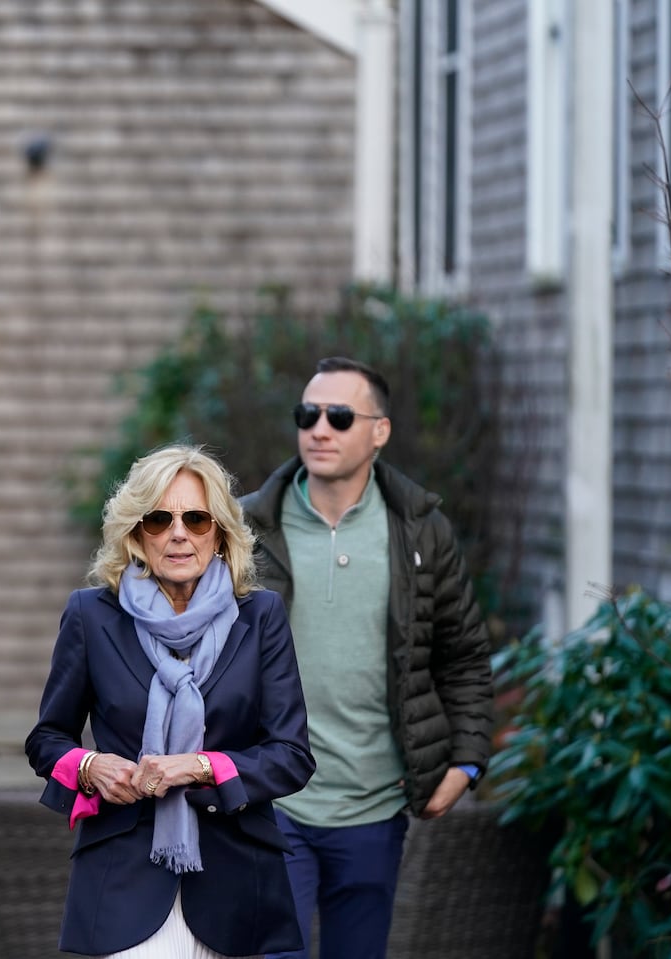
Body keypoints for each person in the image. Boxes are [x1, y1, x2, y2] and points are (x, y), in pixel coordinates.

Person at [240, 356, 494, 959]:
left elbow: (463, 657)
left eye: (339, 416)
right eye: (308, 415)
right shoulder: (248, 527)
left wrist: (468, 763)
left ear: (379, 431)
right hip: (272, 800)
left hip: (375, 806)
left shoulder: (421, 532)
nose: (319, 429)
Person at [25, 444, 315, 959]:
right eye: (159, 519)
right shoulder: (92, 615)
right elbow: (47, 740)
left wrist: (200, 767)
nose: (178, 533)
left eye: (197, 519)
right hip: (122, 884)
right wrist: (90, 766)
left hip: (235, 888)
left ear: (220, 533)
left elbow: (291, 756)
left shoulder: (262, 616)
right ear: (137, 534)